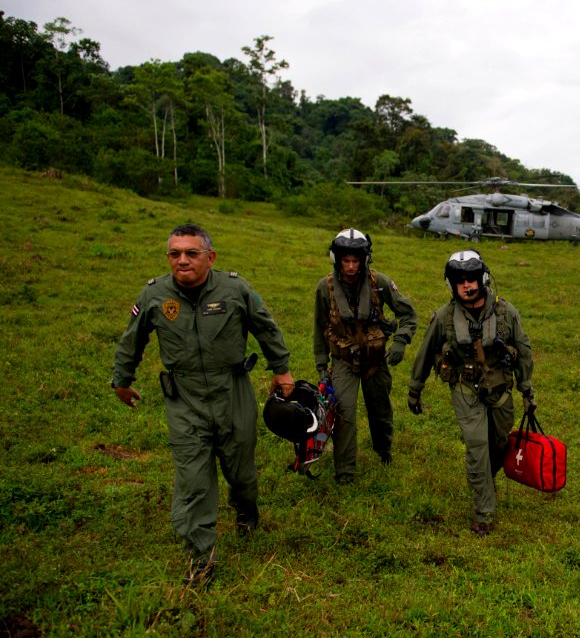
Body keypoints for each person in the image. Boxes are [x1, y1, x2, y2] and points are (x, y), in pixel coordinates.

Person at [111, 224, 295, 586]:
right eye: (175, 253)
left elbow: (266, 327)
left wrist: (282, 370)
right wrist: (122, 379)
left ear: (210, 257)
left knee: (241, 469)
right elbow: (131, 339)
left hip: (233, 390)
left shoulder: (234, 289)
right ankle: (201, 558)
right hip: (185, 398)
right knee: (194, 479)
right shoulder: (154, 295)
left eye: (191, 253)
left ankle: (245, 507)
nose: (182, 261)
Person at [407, 250, 535, 536]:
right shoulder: (444, 317)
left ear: (483, 278)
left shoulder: (507, 313)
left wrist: (527, 391)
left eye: (472, 279)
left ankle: (483, 482)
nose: (467, 286)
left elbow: (524, 353)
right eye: (460, 281)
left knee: (501, 444)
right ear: (452, 285)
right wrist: (415, 389)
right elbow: (425, 353)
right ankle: (483, 513)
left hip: (500, 388)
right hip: (466, 389)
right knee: (477, 446)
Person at [313, 228, 417, 484]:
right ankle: (345, 473)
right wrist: (321, 365)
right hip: (343, 360)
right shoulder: (324, 287)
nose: (350, 267)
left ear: (364, 259)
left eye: (355, 261)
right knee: (344, 414)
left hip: (375, 360)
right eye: (345, 261)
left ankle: (384, 452)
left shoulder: (379, 283)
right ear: (336, 259)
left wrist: (400, 342)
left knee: (380, 410)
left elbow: (408, 314)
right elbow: (319, 327)